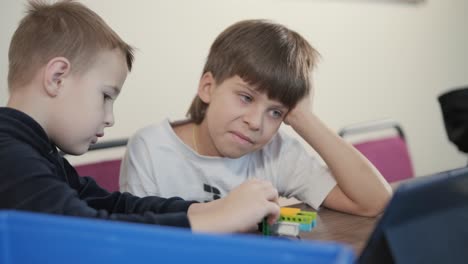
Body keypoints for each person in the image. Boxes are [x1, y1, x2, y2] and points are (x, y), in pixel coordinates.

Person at [0, 1, 280, 234]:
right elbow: (83, 232)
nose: (110, 119)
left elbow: (115, 205)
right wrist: (216, 220)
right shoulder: (9, 153)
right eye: (106, 96)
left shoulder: (38, 152)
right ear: (57, 78)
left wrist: (214, 208)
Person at [120, 19, 392, 217]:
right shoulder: (151, 148)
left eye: (276, 112)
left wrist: (304, 119)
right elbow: (140, 244)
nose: (256, 122)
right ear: (208, 87)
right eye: (246, 98)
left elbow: (375, 201)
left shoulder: (277, 151)